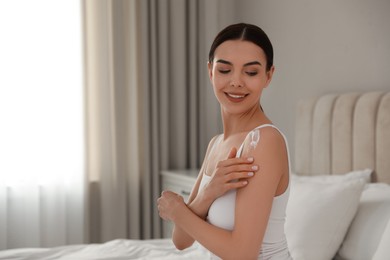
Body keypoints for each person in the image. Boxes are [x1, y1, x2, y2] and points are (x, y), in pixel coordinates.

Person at [157, 23, 292, 260]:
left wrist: (178, 210)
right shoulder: (216, 144)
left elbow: (243, 254)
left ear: (268, 76)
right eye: (224, 70)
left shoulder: (264, 141)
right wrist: (209, 192)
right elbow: (181, 240)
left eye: (250, 72)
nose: (236, 82)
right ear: (210, 71)